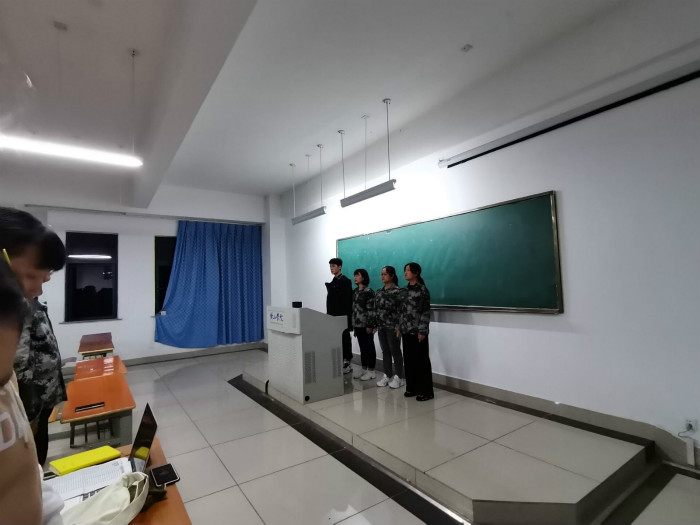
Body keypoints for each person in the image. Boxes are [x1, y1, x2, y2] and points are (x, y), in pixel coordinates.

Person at [0, 207, 67, 464]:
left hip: (32, 405)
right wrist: (28, 415)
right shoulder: (11, 310)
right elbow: (18, 366)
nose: (36, 290)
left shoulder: (19, 303)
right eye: (30, 277)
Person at [398, 262, 434, 401]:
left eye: (408, 270)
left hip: (418, 332)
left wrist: (422, 331)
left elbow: (425, 312)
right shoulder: (403, 290)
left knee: (422, 361)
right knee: (409, 361)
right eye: (405, 270)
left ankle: (426, 391)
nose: (405, 272)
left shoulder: (422, 290)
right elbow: (401, 311)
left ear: (416, 272)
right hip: (406, 331)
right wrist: (399, 327)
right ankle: (412, 388)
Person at [374, 266, 405, 389]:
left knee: (395, 351)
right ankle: (387, 375)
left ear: (392, 276)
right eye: (381, 274)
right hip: (381, 326)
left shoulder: (398, 291)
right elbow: (376, 309)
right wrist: (375, 324)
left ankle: (399, 377)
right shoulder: (379, 291)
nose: (382, 276)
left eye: (385, 274)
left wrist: (398, 327)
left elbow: (401, 311)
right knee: (385, 351)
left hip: (393, 327)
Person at [325, 257, 353, 374]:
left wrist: (347, 319)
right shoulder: (333, 281)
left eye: (333, 266)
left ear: (340, 267)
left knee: (345, 338)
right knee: (336, 338)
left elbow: (348, 301)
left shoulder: (346, 281)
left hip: (343, 316)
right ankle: (339, 360)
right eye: (330, 266)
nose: (331, 268)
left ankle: (347, 361)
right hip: (333, 316)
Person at [351, 269, 376, 380]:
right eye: (354, 275)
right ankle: (364, 369)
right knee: (362, 347)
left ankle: (371, 371)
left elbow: (371, 310)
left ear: (363, 277)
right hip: (357, 324)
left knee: (369, 346)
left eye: (357, 275)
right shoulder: (355, 291)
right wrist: (354, 325)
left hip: (366, 324)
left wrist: (370, 325)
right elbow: (354, 309)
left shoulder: (368, 291)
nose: (355, 277)